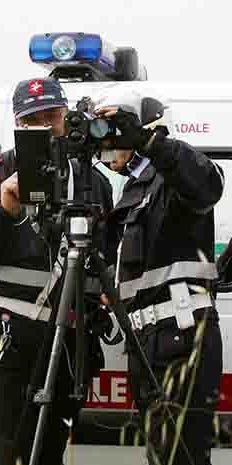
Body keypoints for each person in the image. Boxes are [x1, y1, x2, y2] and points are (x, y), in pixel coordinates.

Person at [0, 77, 114, 465]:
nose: (44, 128)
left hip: (65, 341)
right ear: (17, 124)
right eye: (32, 120)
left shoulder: (91, 181)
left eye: (52, 116)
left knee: (49, 453)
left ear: (67, 117)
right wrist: (3, 211)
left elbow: (103, 258)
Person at [96, 88, 223, 465]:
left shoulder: (168, 175)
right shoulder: (131, 190)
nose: (105, 140)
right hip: (147, 342)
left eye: (113, 128)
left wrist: (151, 142)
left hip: (180, 337)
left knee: (180, 457)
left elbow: (207, 184)